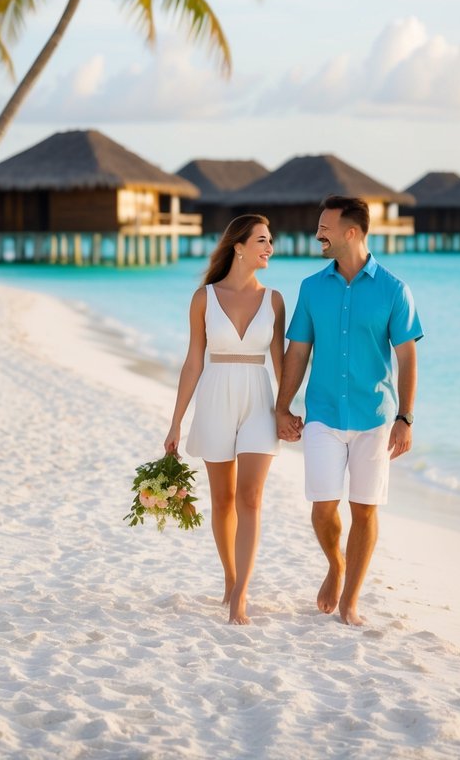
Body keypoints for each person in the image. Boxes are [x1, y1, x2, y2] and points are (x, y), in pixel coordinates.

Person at [276, 195, 423, 627]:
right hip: (321, 413)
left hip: (375, 418)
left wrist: (406, 417)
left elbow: (407, 358)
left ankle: (351, 599)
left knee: (364, 509)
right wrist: (282, 406)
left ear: (351, 232)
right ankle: (335, 565)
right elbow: (297, 352)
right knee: (323, 507)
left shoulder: (395, 290)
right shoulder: (310, 288)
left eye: (325, 227)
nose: (318, 234)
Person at [165, 214, 284, 625]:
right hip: (214, 397)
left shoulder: (275, 300)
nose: (270, 248)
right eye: (263, 241)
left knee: (251, 497)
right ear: (238, 246)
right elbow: (193, 360)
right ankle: (231, 578)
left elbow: (281, 363)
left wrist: (285, 409)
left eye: (271, 242)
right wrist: (176, 421)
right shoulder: (204, 298)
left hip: (258, 400)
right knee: (223, 499)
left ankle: (241, 596)